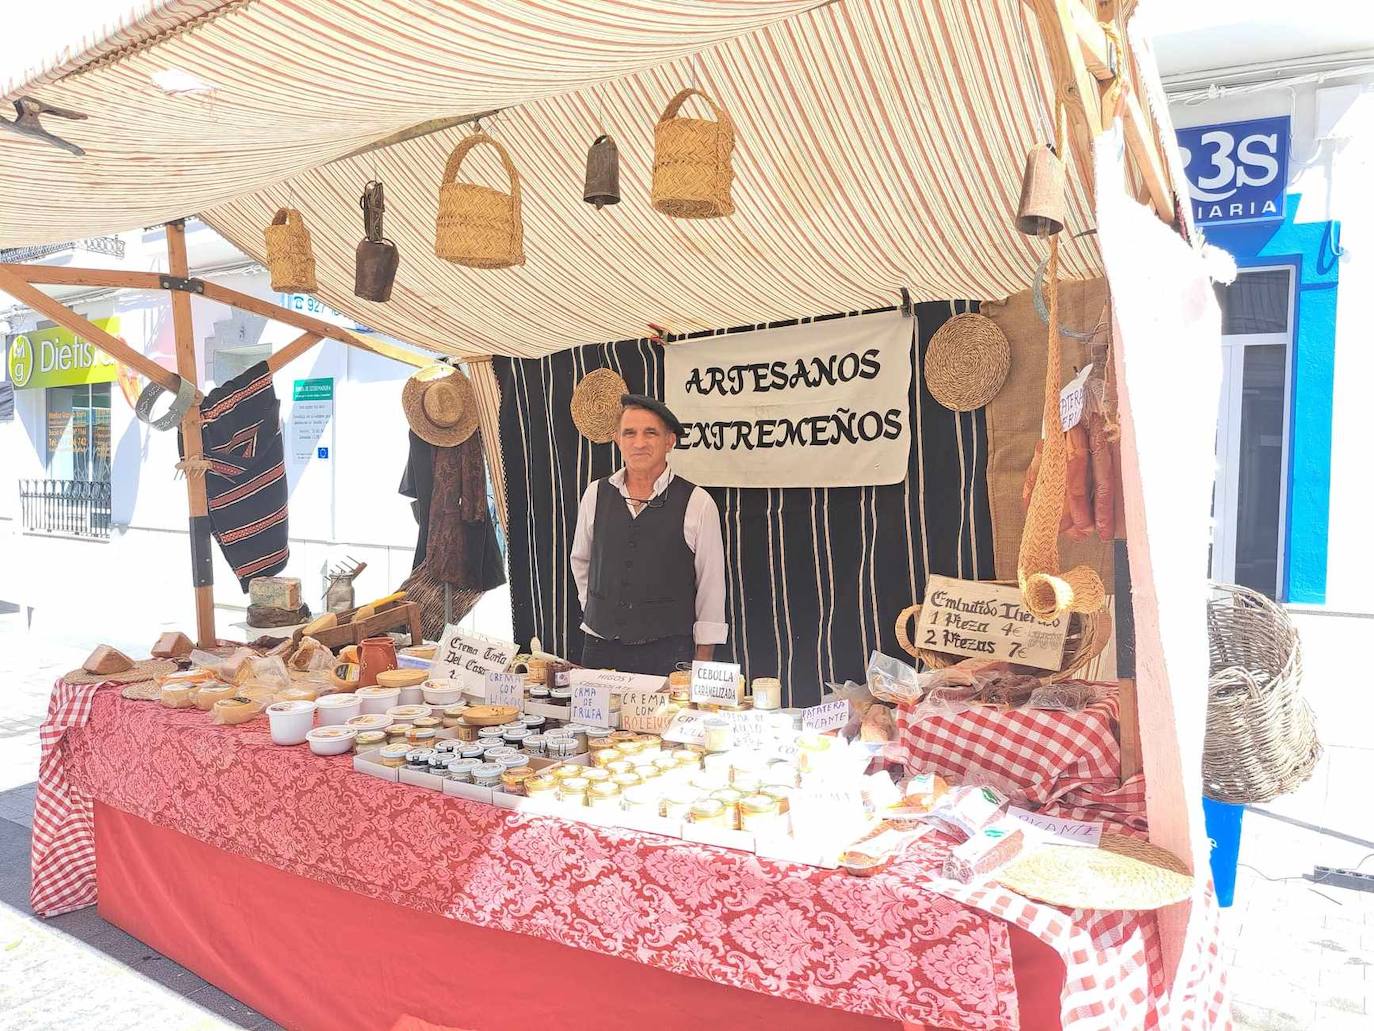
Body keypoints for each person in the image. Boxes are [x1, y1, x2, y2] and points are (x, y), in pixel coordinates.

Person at [570, 394, 727, 674]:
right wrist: (595, 608)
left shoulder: (698, 502)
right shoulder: (595, 494)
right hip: (599, 647)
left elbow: (711, 587)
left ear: (670, 441)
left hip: (667, 651)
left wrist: (703, 661)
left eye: (650, 433)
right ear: (618, 440)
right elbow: (581, 560)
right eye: (629, 433)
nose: (639, 443)